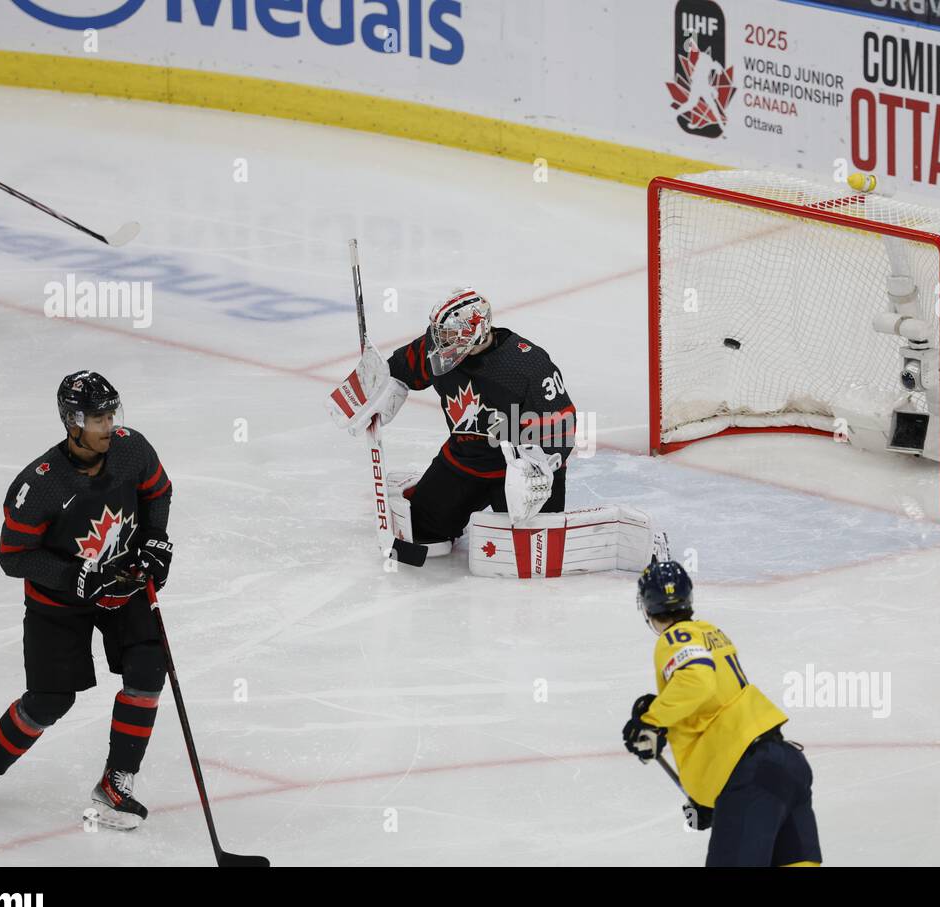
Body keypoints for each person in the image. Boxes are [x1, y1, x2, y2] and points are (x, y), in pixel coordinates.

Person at [0, 371, 174, 830]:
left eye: (112, 414)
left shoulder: (132, 449)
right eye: (98, 417)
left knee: (148, 670)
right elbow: (13, 556)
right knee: (50, 699)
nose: (109, 425)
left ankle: (116, 780)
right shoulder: (42, 484)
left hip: (121, 585)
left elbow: (158, 493)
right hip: (57, 602)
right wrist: (72, 575)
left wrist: (154, 542)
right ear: (72, 421)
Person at [329, 287, 577, 546]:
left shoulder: (526, 365)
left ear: (475, 331)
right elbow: (402, 368)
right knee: (422, 528)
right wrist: (373, 386)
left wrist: (539, 469)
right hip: (466, 460)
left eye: (448, 335)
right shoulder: (438, 348)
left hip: (517, 470)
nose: (439, 341)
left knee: (529, 548)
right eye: (439, 333)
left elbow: (561, 426)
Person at [622, 558, 822, 866]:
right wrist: (714, 801)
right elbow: (713, 701)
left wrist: (651, 723)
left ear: (647, 608)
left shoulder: (674, 637)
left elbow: (698, 680)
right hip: (786, 767)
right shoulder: (710, 632)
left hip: (749, 774)